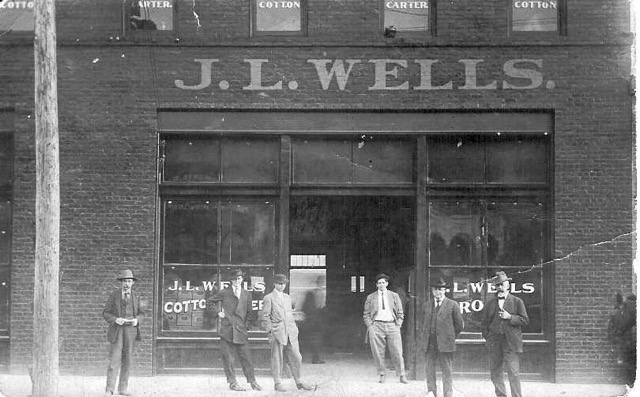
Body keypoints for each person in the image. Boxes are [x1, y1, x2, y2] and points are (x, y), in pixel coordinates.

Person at [206, 269, 262, 391]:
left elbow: (250, 313)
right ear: (231, 281)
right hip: (227, 330)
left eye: (239, 278)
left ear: (242, 279)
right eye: (235, 279)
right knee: (228, 358)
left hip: (241, 330)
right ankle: (233, 383)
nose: (237, 281)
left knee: (246, 357)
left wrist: (246, 326)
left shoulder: (247, 294)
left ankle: (253, 381)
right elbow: (210, 302)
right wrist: (218, 312)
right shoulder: (225, 292)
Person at [260, 274, 315, 392]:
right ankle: (277, 383)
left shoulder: (287, 298)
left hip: (290, 333)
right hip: (277, 332)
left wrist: (294, 327)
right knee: (277, 358)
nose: (282, 286)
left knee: (297, 357)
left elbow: (288, 314)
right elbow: (264, 317)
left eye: (284, 284)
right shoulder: (268, 298)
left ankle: (299, 381)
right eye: (280, 283)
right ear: (274, 283)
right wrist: (271, 331)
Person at [481, 271, 529, 397]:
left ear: (508, 285)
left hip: (510, 342)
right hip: (494, 342)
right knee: (495, 372)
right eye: (497, 285)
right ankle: (501, 395)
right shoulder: (490, 302)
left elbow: (525, 320)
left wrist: (510, 317)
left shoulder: (517, 301)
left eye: (502, 284)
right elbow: (484, 322)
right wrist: (489, 337)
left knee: (513, 372)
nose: (500, 287)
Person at [102, 269, 145, 397]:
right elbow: (105, 313)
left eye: (129, 281)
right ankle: (109, 389)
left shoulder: (136, 296)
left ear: (133, 283)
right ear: (121, 282)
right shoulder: (114, 295)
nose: (127, 284)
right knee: (114, 360)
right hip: (117, 331)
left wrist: (137, 320)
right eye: (125, 281)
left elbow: (142, 314)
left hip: (131, 332)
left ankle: (123, 389)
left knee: (127, 360)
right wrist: (116, 319)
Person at [420, 278, 464, 397]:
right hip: (430, 343)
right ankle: (431, 392)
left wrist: (450, 337)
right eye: (436, 290)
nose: (438, 292)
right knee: (429, 369)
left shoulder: (452, 305)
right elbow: (423, 324)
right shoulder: (427, 305)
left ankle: (448, 393)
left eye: (441, 289)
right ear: (432, 291)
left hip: (446, 343)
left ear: (445, 290)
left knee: (447, 370)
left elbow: (459, 325)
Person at [362, 273, 408, 384]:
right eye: (379, 283)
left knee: (397, 351)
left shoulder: (394, 296)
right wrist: (370, 326)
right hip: (376, 325)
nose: (381, 284)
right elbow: (366, 314)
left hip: (392, 325)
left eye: (383, 282)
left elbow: (400, 312)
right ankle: (382, 374)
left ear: (387, 283)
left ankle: (402, 375)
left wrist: (398, 325)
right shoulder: (371, 297)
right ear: (376, 285)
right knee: (378, 352)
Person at [607, 292, 636, 387]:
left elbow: (619, 326)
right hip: (626, 341)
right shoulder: (625, 309)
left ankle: (630, 382)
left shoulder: (624, 310)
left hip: (624, 341)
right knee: (627, 362)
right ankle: (631, 382)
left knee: (625, 362)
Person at [301, 274, 326, 364]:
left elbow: (304, 308)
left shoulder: (316, 292)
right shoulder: (313, 293)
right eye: (322, 282)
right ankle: (315, 358)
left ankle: (315, 358)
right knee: (315, 340)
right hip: (315, 321)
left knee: (314, 340)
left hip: (313, 320)